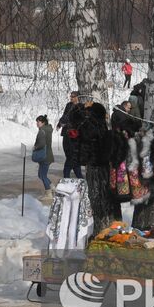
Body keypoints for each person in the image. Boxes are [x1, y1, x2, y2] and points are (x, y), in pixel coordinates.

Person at [76, 95, 119, 226]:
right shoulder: (103, 126)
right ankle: (107, 219)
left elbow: (74, 120)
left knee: (96, 194)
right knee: (103, 192)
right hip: (103, 164)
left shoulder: (91, 125)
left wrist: (82, 109)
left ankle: (100, 222)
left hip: (95, 164)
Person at [58, 91, 82, 179]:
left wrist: (68, 122)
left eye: (73, 96)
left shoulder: (80, 107)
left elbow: (78, 121)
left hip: (74, 135)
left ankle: (66, 178)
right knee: (69, 155)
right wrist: (59, 124)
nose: (71, 98)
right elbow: (64, 115)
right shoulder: (68, 105)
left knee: (71, 157)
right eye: (70, 96)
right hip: (66, 134)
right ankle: (81, 179)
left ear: (77, 97)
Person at [32, 114, 55, 192]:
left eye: (39, 122)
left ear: (43, 123)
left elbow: (41, 144)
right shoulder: (48, 129)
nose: (37, 123)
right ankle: (52, 187)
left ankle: (48, 193)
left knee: (42, 175)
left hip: (45, 156)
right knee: (41, 175)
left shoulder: (42, 131)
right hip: (48, 155)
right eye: (37, 122)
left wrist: (35, 147)